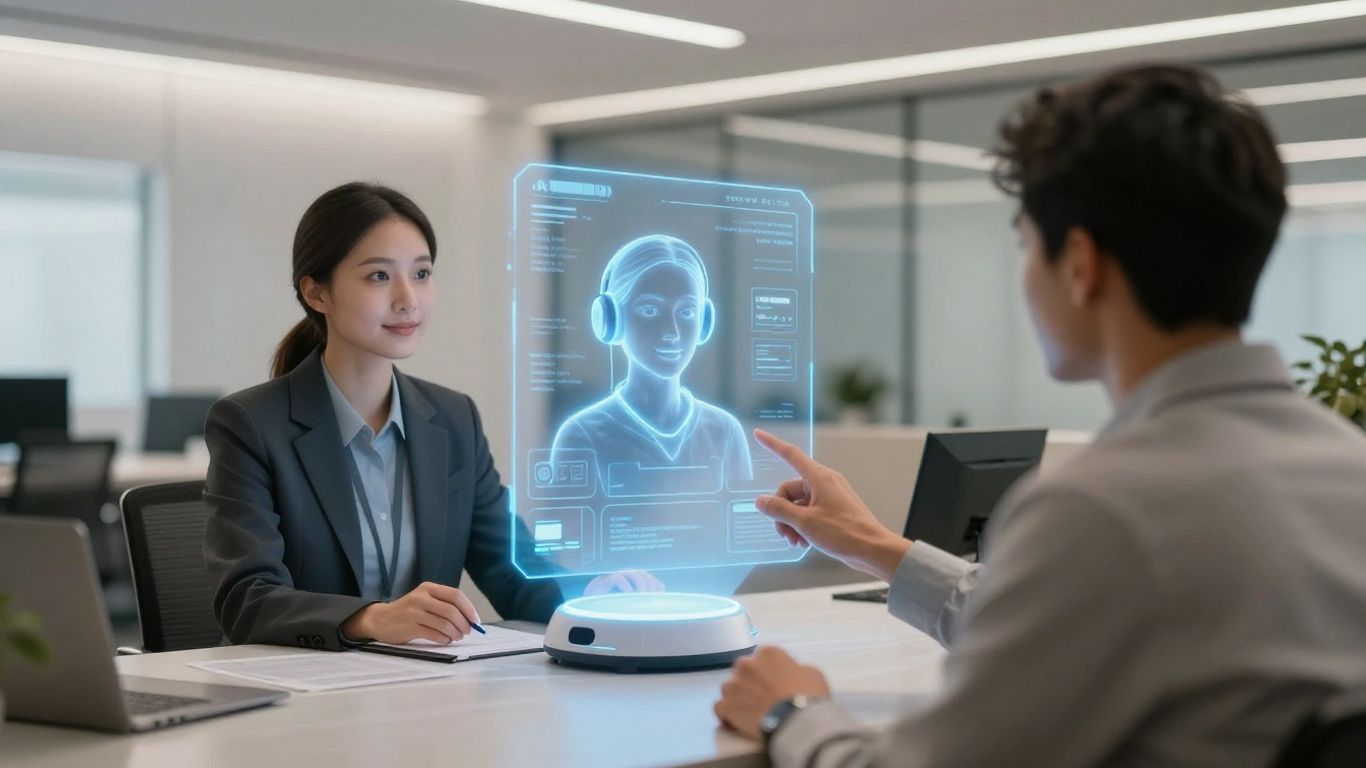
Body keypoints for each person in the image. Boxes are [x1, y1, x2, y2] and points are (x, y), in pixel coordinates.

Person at [713, 63, 1366, 767]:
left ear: (1080, 264)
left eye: (1026, 244)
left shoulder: (1103, 510)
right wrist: (875, 545)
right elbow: (1076, 617)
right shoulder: (1345, 466)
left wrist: (793, 712)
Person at [204, 182, 656, 652]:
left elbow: (508, 571)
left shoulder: (454, 419)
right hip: (294, 683)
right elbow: (246, 598)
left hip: (423, 682)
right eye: (379, 276)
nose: (408, 298)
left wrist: (588, 594)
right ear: (317, 293)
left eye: (421, 274)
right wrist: (373, 619)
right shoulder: (250, 424)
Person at [551, 234, 752, 496]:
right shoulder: (581, 436)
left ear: (704, 322)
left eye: (687, 312)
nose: (672, 332)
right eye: (650, 310)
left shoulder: (725, 431)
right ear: (612, 319)